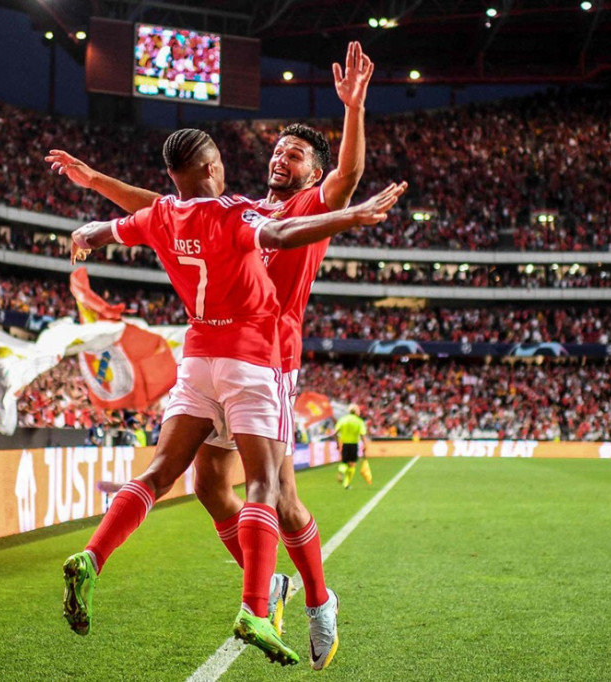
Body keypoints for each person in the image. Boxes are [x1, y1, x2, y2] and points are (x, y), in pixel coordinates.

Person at [46, 41, 374, 671]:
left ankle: (317, 599)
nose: (282, 155)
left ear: (311, 172)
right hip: (228, 352)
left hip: (271, 357)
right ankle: (264, 584)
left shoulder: (307, 205)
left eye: (296, 153)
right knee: (204, 481)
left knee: (278, 495)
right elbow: (166, 209)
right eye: (278, 148)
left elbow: (349, 177)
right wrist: (95, 184)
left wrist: (353, 108)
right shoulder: (237, 208)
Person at [330, 404, 369, 489]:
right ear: (356, 411)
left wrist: (337, 443)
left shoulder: (343, 420)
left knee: (344, 462)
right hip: (354, 444)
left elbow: (334, 433)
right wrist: (365, 445)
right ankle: (346, 484)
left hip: (344, 444)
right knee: (352, 464)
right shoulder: (359, 421)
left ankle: (341, 471)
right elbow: (363, 435)